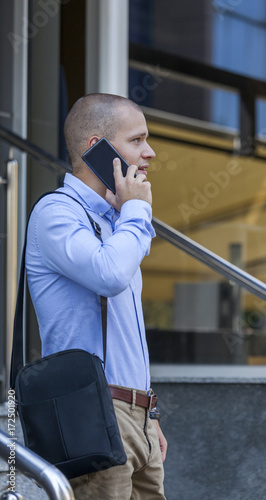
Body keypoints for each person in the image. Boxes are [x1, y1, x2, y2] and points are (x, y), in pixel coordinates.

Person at [25, 93, 168, 499]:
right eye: (137, 140)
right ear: (97, 149)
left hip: (136, 415)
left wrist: (149, 412)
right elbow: (109, 275)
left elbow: (127, 332)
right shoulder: (57, 214)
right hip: (93, 411)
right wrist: (137, 212)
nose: (150, 152)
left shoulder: (117, 221)